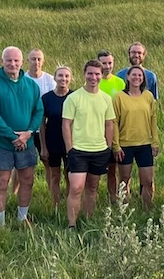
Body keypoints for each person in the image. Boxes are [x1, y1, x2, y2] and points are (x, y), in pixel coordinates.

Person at [0, 46, 43, 226]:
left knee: (27, 180)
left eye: (16, 60)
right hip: (1, 144)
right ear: (2, 62)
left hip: (27, 143)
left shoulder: (30, 85)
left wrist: (28, 133)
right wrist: (12, 136)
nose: (12, 64)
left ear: (22, 62)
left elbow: (38, 110)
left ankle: (22, 217)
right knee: (2, 182)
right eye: (8, 60)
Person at [62, 60, 115, 229]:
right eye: (90, 73)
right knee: (76, 188)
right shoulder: (73, 98)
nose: (94, 77)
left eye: (97, 74)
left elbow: (109, 124)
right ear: (84, 74)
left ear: (101, 75)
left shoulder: (106, 99)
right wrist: (70, 149)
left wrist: (108, 146)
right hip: (78, 150)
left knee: (92, 187)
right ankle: (72, 225)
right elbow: (66, 124)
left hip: (99, 150)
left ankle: (87, 220)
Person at [112, 65, 159, 209]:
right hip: (125, 145)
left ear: (143, 78)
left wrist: (155, 142)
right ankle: (124, 210)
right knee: (124, 180)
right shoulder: (119, 97)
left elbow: (153, 119)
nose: (137, 78)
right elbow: (114, 122)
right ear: (127, 77)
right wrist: (116, 145)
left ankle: (147, 210)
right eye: (134, 75)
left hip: (145, 144)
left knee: (148, 181)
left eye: (140, 75)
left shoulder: (148, 96)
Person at [22, 48, 56, 195]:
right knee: (22, 165)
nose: (36, 62)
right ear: (27, 61)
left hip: (44, 128)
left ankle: (50, 192)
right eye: (33, 59)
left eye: (39, 59)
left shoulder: (49, 80)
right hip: (25, 129)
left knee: (47, 161)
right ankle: (15, 193)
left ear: (43, 61)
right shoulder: (22, 80)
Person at [40, 66, 73, 208]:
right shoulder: (46, 98)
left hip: (70, 143)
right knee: (55, 176)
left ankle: (71, 204)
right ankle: (56, 205)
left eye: (66, 76)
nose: (63, 79)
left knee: (69, 176)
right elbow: (41, 125)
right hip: (52, 141)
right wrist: (43, 147)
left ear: (70, 79)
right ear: (54, 78)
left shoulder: (74, 96)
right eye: (60, 76)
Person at [96, 49, 125, 202]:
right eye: (104, 63)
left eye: (109, 63)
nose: (107, 66)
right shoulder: (94, 82)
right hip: (97, 129)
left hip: (117, 129)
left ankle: (116, 197)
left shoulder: (120, 82)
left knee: (116, 166)